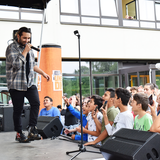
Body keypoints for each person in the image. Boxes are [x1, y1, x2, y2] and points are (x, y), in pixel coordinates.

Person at [6, 27, 50, 143]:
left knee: (36, 103)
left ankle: (32, 128)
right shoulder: (11, 48)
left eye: (29, 38)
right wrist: (25, 51)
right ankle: (19, 133)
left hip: (29, 83)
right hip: (16, 84)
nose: (27, 40)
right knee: (18, 110)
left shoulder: (29, 49)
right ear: (18, 36)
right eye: (25, 38)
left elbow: (32, 65)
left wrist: (43, 73)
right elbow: (16, 64)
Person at [85, 88, 133, 154]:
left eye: (115, 98)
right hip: (115, 149)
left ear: (119, 100)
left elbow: (129, 137)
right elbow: (111, 132)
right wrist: (105, 116)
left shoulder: (127, 115)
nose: (113, 100)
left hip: (121, 151)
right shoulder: (119, 114)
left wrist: (95, 141)